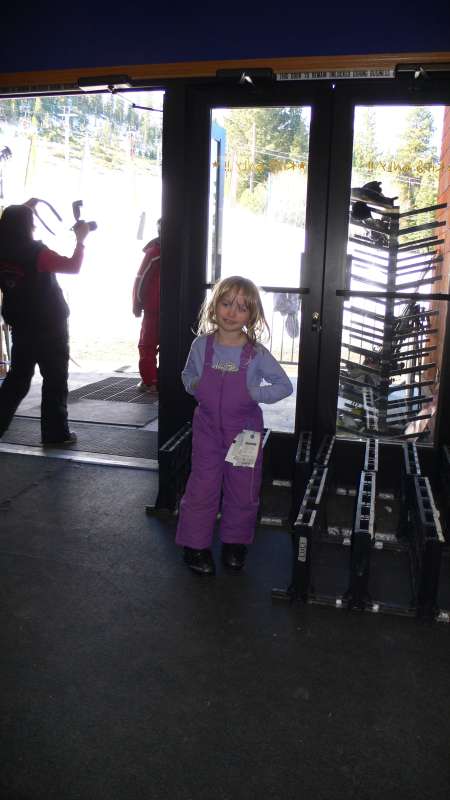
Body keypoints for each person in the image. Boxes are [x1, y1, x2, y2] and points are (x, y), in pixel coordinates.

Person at [175, 275, 293, 575]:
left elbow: (284, 386)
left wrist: (256, 394)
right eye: (226, 304)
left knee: (243, 488)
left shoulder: (256, 354)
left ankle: (235, 543)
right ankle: (195, 546)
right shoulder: (201, 346)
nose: (232, 312)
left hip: (244, 433)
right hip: (207, 430)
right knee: (202, 486)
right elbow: (187, 376)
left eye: (242, 308)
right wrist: (197, 386)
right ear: (214, 306)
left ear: (251, 316)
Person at [0, 201, 92, 445]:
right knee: (55, 379)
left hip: (21, 326)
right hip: (50, 326)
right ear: (27, 226)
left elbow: (11, 222)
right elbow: (73, 266)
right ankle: (55, 434)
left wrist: (22, 208)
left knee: (17, 381)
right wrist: (81, 240)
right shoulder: (37, 253)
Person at [132, 218, 161, 393]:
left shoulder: (154, 252)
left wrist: (136, 305)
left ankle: (151, 382)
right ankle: (166, 378)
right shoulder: (182, 249)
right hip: (174, 308)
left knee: (147, 345)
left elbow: (140, 279)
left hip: (153, 307)